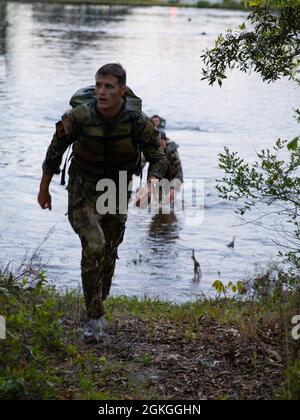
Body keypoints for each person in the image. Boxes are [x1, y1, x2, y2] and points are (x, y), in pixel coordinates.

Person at [37, 63, 167, 343]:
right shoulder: (79, 116)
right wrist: (43, 189)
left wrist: (150, 184)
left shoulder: (136, 121)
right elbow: (54, 152)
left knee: (109, 250)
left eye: (108, 86)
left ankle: (99, 299)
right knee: (94, 243)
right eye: (98, 85)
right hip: (82, 188)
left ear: (122, 90)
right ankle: (94, 318)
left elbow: (158, 156)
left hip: (117, 188)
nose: (101, 92)